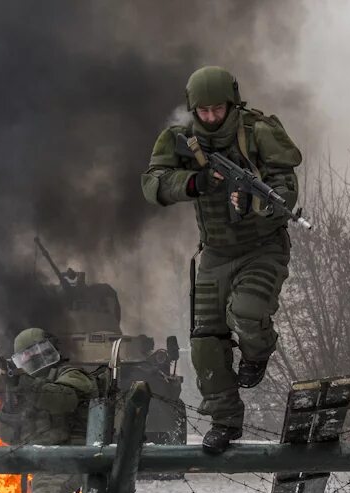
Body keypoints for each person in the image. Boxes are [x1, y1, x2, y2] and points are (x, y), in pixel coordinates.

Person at [141, 65, 302, 453]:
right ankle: (225, 421)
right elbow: (153, 183)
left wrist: (254, 200)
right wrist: (193, 183)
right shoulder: (180, 137)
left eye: (218, 110)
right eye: (204, 112)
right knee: (205, 344)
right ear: (193, 110)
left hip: (262, 246)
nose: (211, 118)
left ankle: (257, 352)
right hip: (214, 253)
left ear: (233, 103)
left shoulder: (259, 132)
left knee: (246, 312)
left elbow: (285, 190)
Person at [0, 328, 98, 493]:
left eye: (38, 352)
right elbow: (9, 437)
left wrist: (26, 386)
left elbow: (64, 399)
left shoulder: (71, 374)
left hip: (74, 454)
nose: (34, 359)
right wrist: (10, 407)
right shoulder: (28, 386)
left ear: (52, 350)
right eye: (26, 356)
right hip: (44, 461)